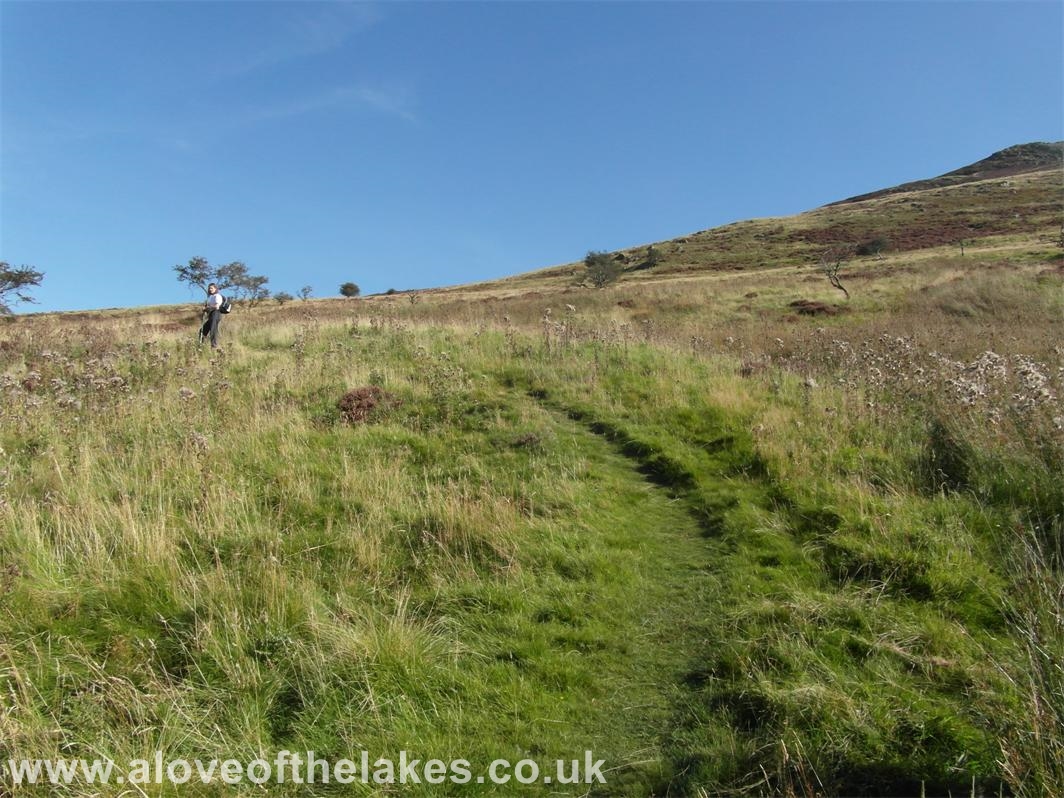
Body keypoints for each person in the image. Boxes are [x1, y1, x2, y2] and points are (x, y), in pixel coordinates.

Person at [199, 283, 224, 349]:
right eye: (209, 288)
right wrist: (205, 309)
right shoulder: (210, 297)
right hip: (211, 315)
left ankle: (214, 346)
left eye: (211, 288)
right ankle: (201, 345)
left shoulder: (217, 296)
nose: (210, 290)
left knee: (213, 330)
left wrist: (207, 308)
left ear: (215, 289)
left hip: (216, 314)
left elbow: (217, 306)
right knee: (202, 330)